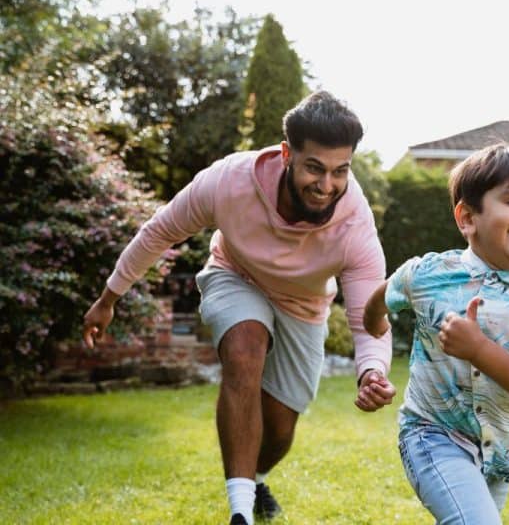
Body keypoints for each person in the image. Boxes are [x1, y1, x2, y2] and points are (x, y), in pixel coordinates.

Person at [82, 91, 396, 525]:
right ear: (287, 154)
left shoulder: (355, 224)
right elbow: (159, 232)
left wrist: (372, 370)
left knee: (281, 428)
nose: (327, 186)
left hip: (304, 305)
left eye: (340, 171)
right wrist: (108, 298)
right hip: (236, 274)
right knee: (244, 350)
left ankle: (257, 477)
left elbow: (368, 314)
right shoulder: (228, 182)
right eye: (314, 168)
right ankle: (240, 513)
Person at [364, 133, 509, 524]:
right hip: (431, 435)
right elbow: (385, 292)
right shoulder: (428, 274)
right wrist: (374, 321)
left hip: (497, 454)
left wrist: (479, 349)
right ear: (467, 218)